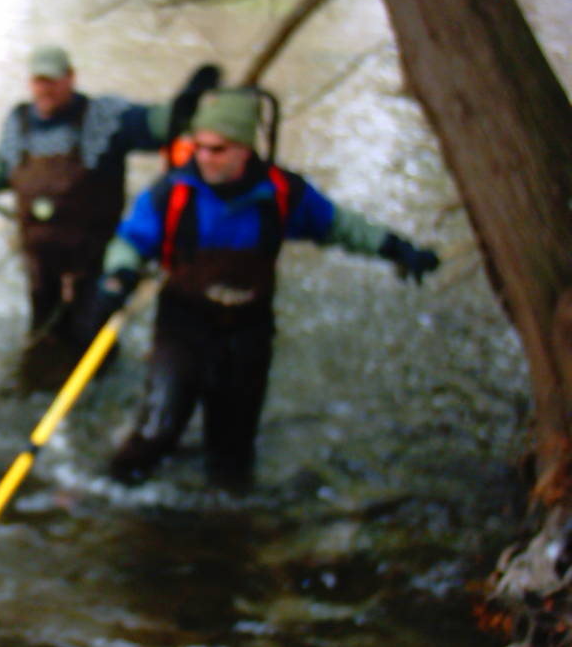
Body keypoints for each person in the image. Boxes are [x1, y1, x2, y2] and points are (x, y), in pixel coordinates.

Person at [84, 86, 441, 492]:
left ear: (243, 149)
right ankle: (110, 488)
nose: (203, 157)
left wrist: (395, 248)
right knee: (158, 429)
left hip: (249, 331)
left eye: (216, 149)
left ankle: (228, 519)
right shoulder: (174, 192)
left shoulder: (283, 193)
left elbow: (341, 226)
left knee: (233, 451)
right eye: (198, 146)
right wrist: (118, 277)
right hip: (183, 327)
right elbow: (130, 241)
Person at [0, 44, 219, 382]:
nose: (46, 89)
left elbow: (159, 125)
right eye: (39, 81)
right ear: (30, 82)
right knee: (44, 332)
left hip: (95, 260)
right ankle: (40, 380)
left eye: (53, 80)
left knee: (93, 335)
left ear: (71, 78)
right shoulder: (19, 121)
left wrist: (186, 104)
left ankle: (99, 396)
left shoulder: (105, 117)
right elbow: (3, 164)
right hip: (41, 262)